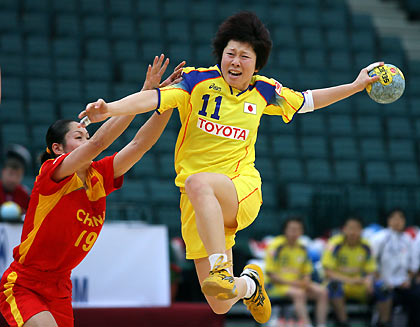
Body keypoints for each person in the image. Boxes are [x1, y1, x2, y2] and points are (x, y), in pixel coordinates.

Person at [78, 11, 383, 324]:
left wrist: (356, 86)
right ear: (220, 55)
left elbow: (309, 100)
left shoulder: (264, 91)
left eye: (244, 57)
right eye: (230, 54)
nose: (235, 63)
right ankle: (249, 283)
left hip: (239, 187)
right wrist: (110, 108)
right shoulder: (196, 81)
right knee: (219, 304)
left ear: (257, 63)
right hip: (197, 205)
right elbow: (152, 99)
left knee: (199, 183)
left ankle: (222, 267)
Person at [0, 56, 184, 327]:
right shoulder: (52, 173)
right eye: (78, 137)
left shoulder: (98, 176)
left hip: (61, 287)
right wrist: (145, 95)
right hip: (26, 283)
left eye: (85, 136)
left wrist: (165, 101)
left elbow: (138, 145)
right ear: (58, 149)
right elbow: (99, 142)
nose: (85, 140)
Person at [322, 217, 391, 327]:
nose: (353, 232)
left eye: (356, 228)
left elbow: (371, 270)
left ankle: (384, 322)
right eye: (350, 228)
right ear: (344, 229)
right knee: (334, 286)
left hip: (360, 285)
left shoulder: (366, 245)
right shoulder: (334, 244)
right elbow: (328, 272)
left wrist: (369, 279)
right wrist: (351, 280)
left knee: (383, 288)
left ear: (361, 230)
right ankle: (344, 322)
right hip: (342, 283)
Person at [265, 217, 328, 327]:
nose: (295, 233)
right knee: (299, 293)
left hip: (298, 284)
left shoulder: (302, 248)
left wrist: (306, 281)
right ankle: (307, 324)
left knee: (322, 292)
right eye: (292, 229)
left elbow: (307, 272)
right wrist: (296, 284)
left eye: (298, 229)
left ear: (302, 231)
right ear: (285, 230)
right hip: (277, 286)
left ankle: (321, 324)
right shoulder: (275, 246)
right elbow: (271, 274)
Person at [371, 209, 417, 327]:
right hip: (383, 283)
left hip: (403, 284)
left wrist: (408, 280)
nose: (397, 221)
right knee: (385, 291)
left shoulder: (408, 239)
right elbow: (371, 264)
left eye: (401, 218)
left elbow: (413, 265)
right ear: (388, 220)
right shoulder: (380, 238)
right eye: (394, 218)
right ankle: (382, 322)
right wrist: (380, 280)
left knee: (417, 295)